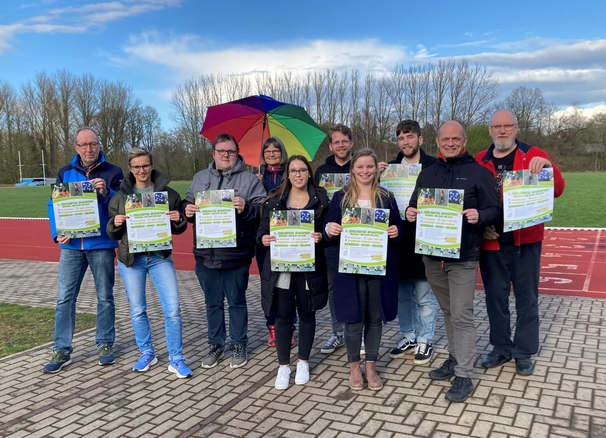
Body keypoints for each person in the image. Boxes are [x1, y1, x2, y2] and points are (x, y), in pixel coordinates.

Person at [407, 121, 501, 402]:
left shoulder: (478, 173)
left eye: (455, 139)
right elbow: (415, 204)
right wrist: (411, 212)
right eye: (445, 139)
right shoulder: (427, 173)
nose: (450, 143)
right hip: (433, 256)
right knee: (448, 312)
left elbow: (495, 210)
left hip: (463, 257)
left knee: (462, 315)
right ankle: (453, 358)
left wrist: (479, 216)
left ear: (465, 140)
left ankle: (464, 374)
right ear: (437, 142)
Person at [476, 109, 566, 376]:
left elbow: (558, 189)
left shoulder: (534, 155)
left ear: (516, 128)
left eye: (507, 126)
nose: (502, 131)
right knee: (495, 298)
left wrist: (550, 168)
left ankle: (524, 351)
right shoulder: (480, 159)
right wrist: (481, 227)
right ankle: (501, 347)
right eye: (497, 127)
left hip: (525, 241)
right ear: (490, 130)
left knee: (526, 298)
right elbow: (471, 197)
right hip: (491, 241)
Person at [43, 127, 124, 373]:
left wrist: (104, 193)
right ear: (76, 147)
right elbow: (53, 203)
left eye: (94, 144)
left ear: (99, 146)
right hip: (72, 248)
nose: (89, 149)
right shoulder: (65, 172)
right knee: (65, 298)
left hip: (100, 245)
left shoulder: (114, 172)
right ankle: (62, 349)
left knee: (105, 297)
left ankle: (105, 343)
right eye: (84, 144)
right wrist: (58, 232)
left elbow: (121, 206)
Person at [182, 133, 266, 369]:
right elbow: (186, 202)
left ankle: (239, 344)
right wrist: (186, 208)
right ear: (213, 153)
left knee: (237, 302)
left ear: (237, 153)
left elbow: (263, 211)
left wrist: (247, 207)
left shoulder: (250, 180)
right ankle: (216, 344)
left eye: (230, 151)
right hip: (205, 253)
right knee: (212, 303)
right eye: (221, 151)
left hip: (236, 253)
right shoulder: (200, 178)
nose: (226, 155)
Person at [107, 148, 192, 379]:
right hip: (131, 259)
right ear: (130, 169)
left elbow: (179, 227)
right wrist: (115, 222)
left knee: (173, 309)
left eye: (145, 165)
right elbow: (112, 232)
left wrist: (178, 218)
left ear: (152, 165)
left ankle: (176, 357)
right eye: (136, 167)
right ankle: (147, 352)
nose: (141, 170)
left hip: (159, 257)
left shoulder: (168, 194)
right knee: (137, 310)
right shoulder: (120, 197)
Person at [325, 148, 403, 391]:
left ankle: (371, 365)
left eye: (369, 166)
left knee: (374, 318)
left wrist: (396, 231)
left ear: (376, 168)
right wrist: (330, 228)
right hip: (350, 268)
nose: (365, 171)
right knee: (352, 319)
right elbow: (328, 226)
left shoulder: (386, 197)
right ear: (353, 170)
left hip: (378, 267)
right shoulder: (340, 197)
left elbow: (399, 227)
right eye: (360, 167)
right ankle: (353, 367)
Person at [258, 156, 329, 390]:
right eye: (293, 171)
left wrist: (322, 236)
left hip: (310, 267)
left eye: (302, 170)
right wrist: (263, 238)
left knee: (307, 314)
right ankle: (283, 366)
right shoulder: (274, 202)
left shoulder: (320, 200)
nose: (298, 174)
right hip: (282, 268)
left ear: (309, 173)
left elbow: (329, 230)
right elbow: (261, 232)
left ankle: (304, 362)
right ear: (288, 174)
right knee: (282, 316)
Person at [381, 120, 440, 365]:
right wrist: (377, 174)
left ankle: (425, 338)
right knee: (403, 295)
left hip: (425, 237)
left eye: (410, 137)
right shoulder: (391, 169)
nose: (406, 142)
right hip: (399, 240)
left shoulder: (434, 166)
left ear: (420, 139)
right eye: (401, 138)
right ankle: (408, 335)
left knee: (425, 295)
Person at [315, 124, 354, 355]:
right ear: (330, 145)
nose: (340, 145)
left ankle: (355, 333)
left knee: (356, 287)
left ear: (351, 143)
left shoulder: (361, 166)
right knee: (332, 289)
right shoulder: (321, 170)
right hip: (330, 240)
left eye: (344, 141)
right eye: (336, 142)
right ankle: (337, 333)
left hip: (358, 239)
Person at [254, 137, 296, 348]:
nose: (271, 154)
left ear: (282, 152)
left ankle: (289, 327)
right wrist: (257, 183)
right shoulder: (256, 175)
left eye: (275, 150)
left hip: (287, 236)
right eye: (267, 151)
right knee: (270, 284)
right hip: (265, 238)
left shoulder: (291, 172)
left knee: (290, 284)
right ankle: (272, 327)